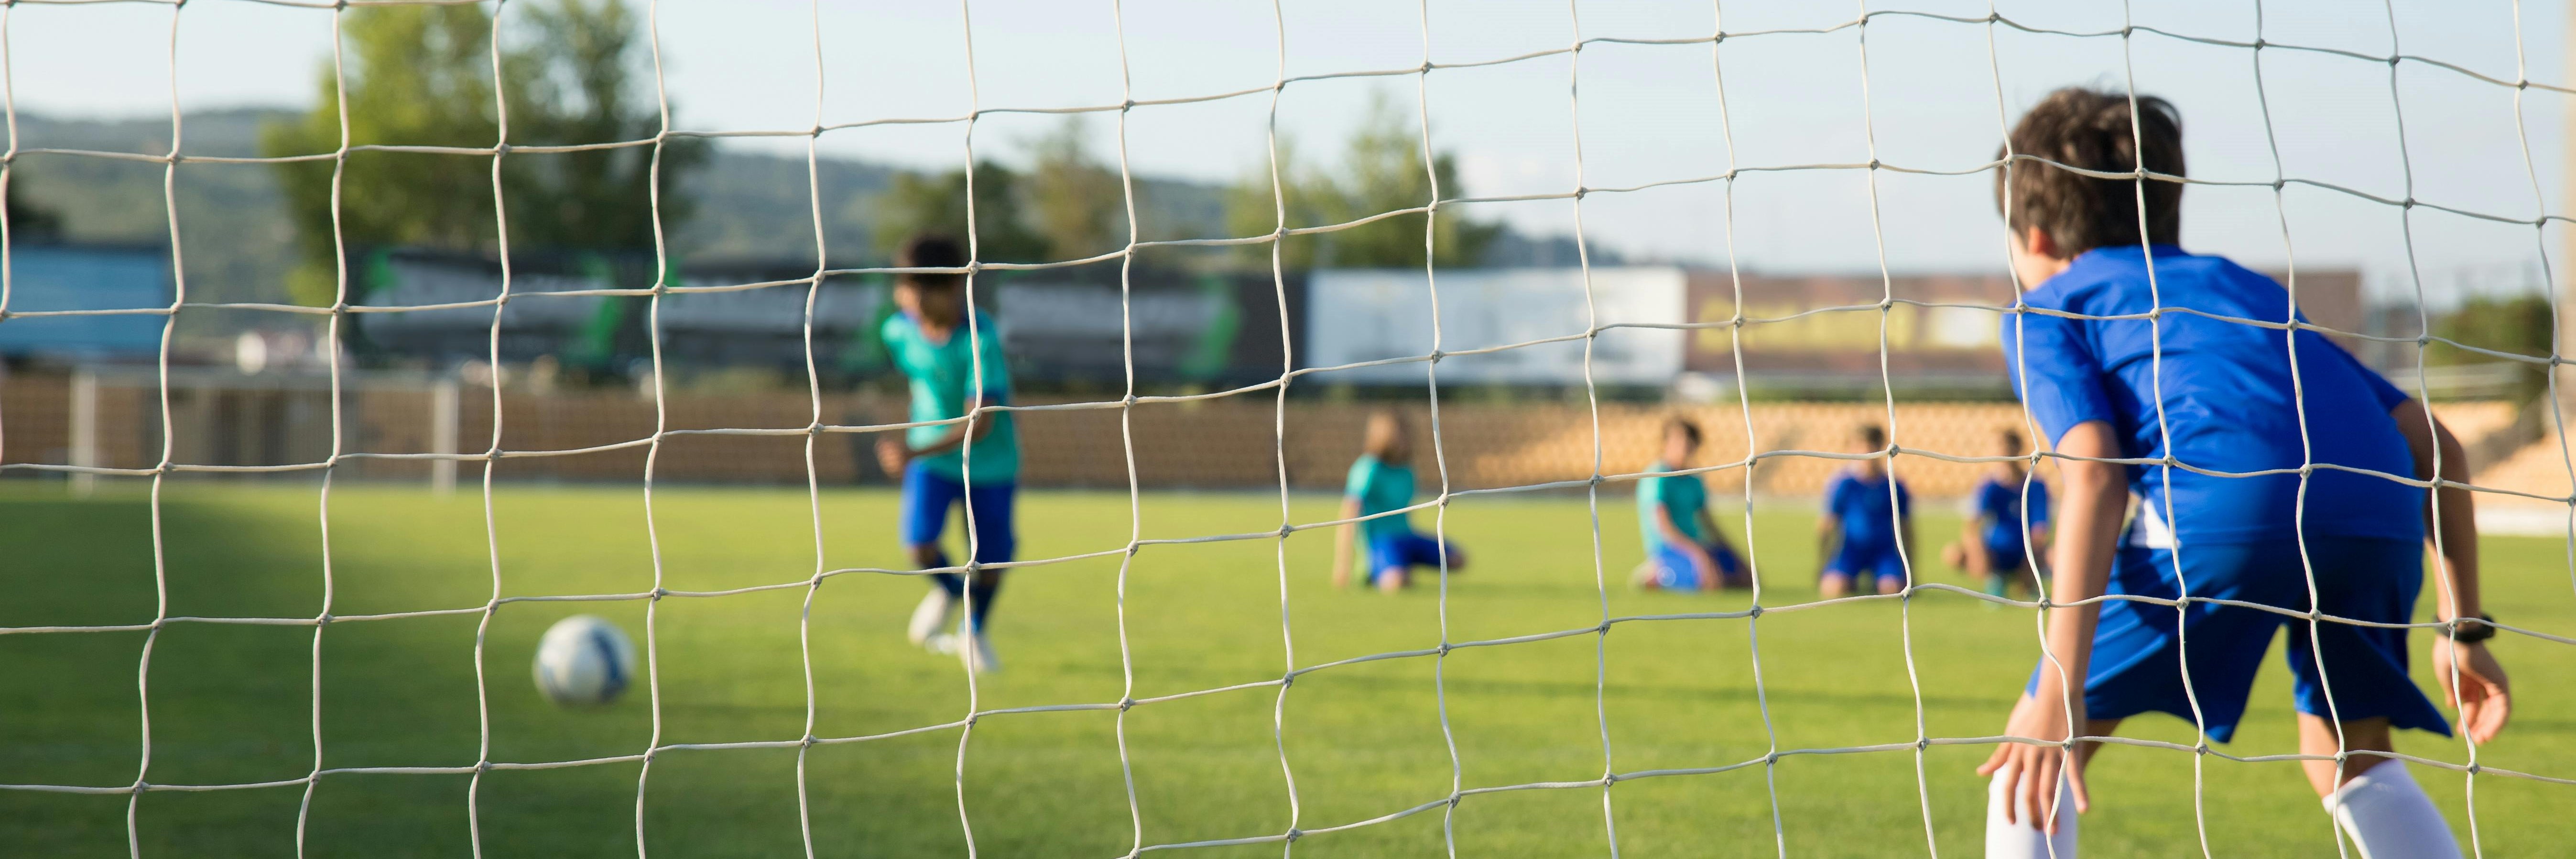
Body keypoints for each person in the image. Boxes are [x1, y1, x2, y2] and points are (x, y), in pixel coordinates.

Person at [1978, 87, 2507, 859]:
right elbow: (2438, 447)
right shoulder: (2243, 289)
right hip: (2375, 515)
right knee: (2351, 756)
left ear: (2029, 235)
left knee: (2028, 766)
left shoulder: (2049, 307)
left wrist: (2055, 687)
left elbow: (2093, 468)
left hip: (2228, 514)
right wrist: (2462, 631)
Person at [878, 234, 1018, 674]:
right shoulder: (898, 330)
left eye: (922, 292)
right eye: (905, 289)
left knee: (992, 562)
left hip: (989, 462)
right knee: (919, 545)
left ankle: (973, 631)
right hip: (933, 461)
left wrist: (914, 447)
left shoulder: (980, 337)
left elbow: (982, 422)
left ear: (952, 289)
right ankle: (951, 594)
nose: (911, 300)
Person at [1332, 409, 1466, 593]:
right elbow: (1349, 513)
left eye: (1407, 434)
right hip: (1380, 542)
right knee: (1396, 583)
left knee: (1458, 560)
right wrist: (1343, 564)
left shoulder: (1407, 471)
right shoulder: (1369, 468)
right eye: (1398, 435)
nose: (1404, 440)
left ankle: (1402, 563)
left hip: (1407, 537)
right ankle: (1375, 569)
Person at [1633, 417, 1749, 591]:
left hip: (1698, 545)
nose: (1685, 446)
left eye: (1689, 441)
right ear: (1666, 443)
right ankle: (1657, 573)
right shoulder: (1657, 477)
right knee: (1710, 583)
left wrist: (1734, 553)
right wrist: (1698, 555)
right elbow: (1664, 527)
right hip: (1669, 548)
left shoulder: (1694, 480)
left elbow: (1708, 522)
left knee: (1747, 579)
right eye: (1679, 440)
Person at [1943, 427, 2052, 601]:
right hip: (1995, 551)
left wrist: (2031, 557)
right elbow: (1972, 526)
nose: (2001, 451)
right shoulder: (1988, 487)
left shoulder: (2035, 485)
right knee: (1953, 553)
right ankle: (1993, 579)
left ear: (2018, 448)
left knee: (2054, 556)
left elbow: (2041, 528)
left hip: (2026, 551)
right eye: (1997, 446)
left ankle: (2031, 580)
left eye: (2005, 446)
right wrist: (1978, 551)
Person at [1817, 423, 1913, 598]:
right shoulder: (1844, 484)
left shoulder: (1894, 486)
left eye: (1871, 445)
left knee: (1892, 590)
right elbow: (1827, 524)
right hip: (1851, 550)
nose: (1866, 451)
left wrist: (1911, 568)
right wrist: (1822, 564)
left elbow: (1906, 527)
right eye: (1860, 446)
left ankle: (1878, 580)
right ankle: (1850, 580)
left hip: (1883, 551)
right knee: (1834, 589)